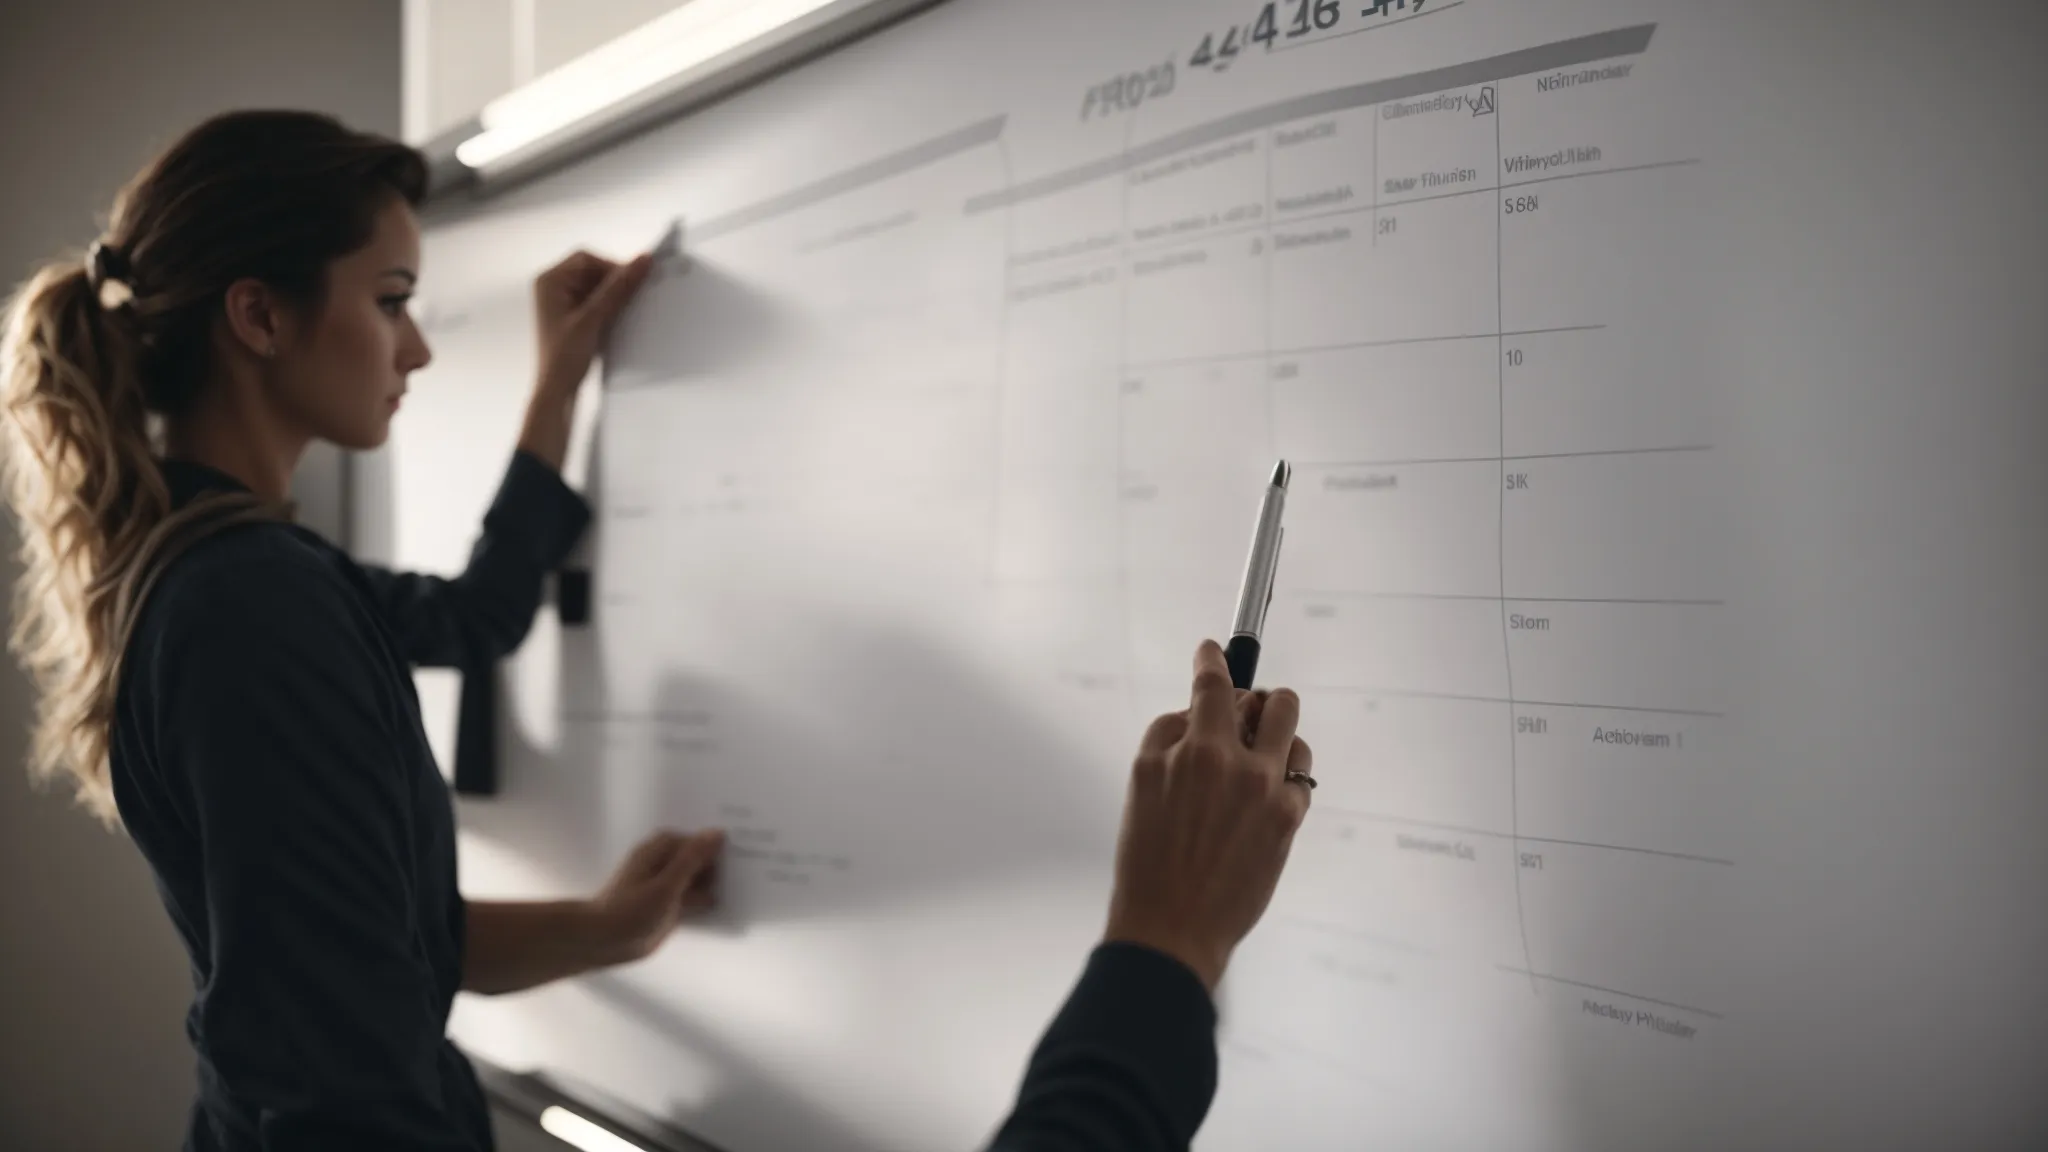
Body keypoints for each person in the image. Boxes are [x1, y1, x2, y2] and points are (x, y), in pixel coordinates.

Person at [0, 109, 1315, 1152]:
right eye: (392, 297)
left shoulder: (230, 572)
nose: (417, 349)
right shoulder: (250, 607)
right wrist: (1171, 939)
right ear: (260, 314)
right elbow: (333, 1074)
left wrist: (604, 928)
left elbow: (455, 675)